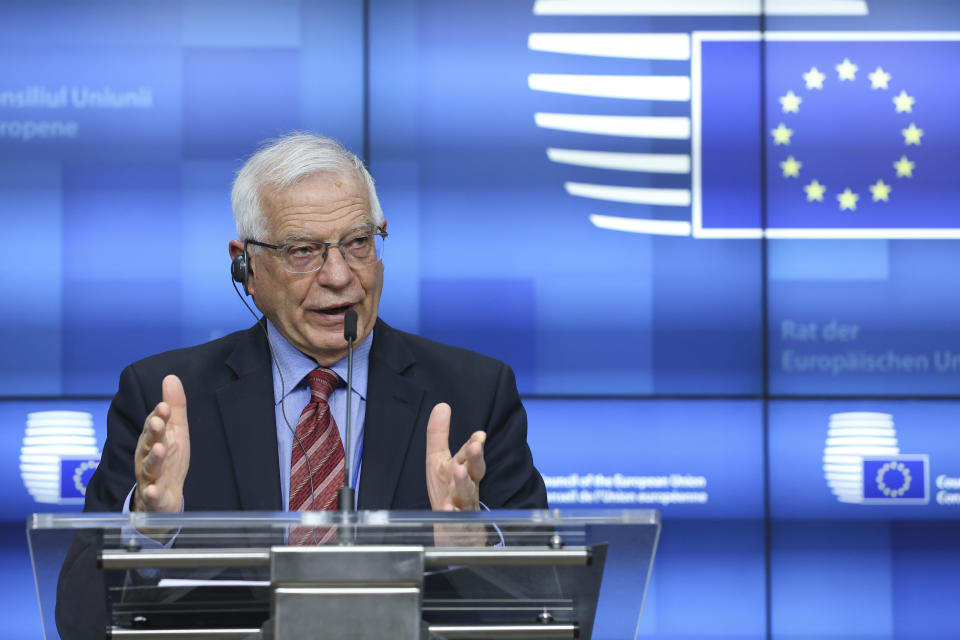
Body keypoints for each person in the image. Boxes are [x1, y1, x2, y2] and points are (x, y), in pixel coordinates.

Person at [82, 131, 546, 520]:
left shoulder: (476, 396)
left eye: (359, 242)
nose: (340, 276)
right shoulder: (160, 400)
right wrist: (146, 529)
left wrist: (474, 540)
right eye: (303, 251)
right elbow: (81, 608)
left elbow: (543, 591)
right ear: (246, 267)